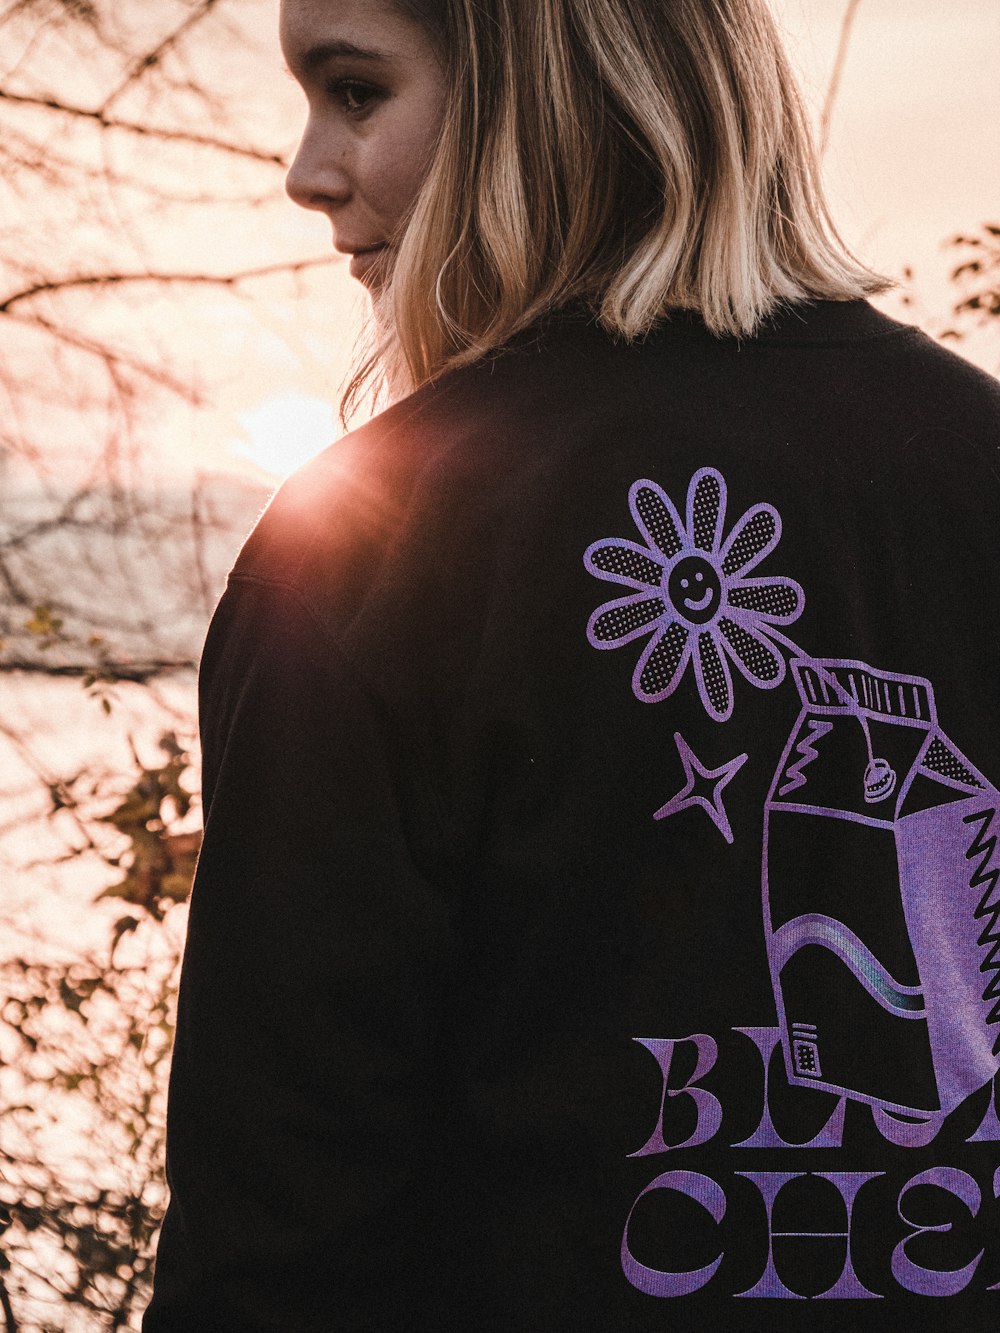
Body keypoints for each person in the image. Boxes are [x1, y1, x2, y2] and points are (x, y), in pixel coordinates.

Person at [142, 1, 1000, 1328]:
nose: (307, 169)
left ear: (541, 94)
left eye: (357, 90)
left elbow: (274, 1251)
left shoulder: (373, 547)